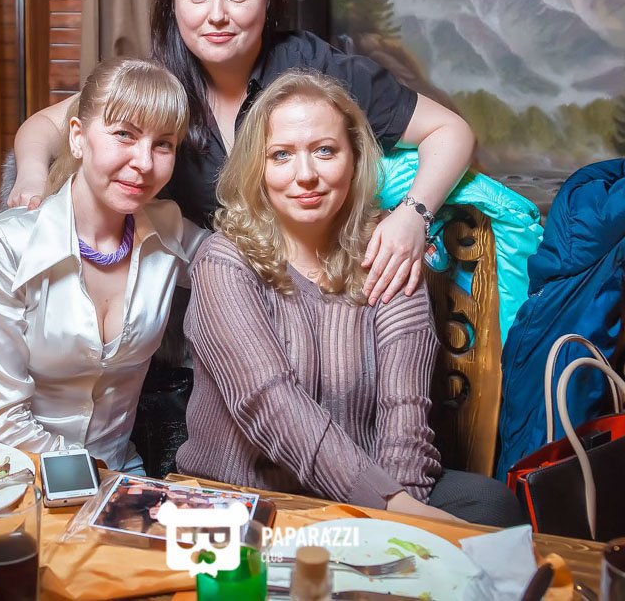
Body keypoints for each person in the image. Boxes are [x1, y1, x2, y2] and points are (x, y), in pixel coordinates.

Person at [8, 0, 476, 306]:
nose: (217, 15)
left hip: (319, 296)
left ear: (268, 0)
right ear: (172, 5)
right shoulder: (157, 85)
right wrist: (29, 175)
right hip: (204, 302)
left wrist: (413, 216)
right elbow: (46, 125)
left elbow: (450, 130)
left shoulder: (318, 71)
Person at [175, 70, 524, 526]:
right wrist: (393, 509)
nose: (306, 175)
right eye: (281, 155)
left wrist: (398, 517)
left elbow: (405, 411)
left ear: (355, 160)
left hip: (372, 493)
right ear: (257, 169)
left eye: (325, 150)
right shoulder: (224, 262)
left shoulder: (386, 251)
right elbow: (271, 404)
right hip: (248, 497)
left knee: (492, 503)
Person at [0, 57, 206, 474]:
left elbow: (240, 265)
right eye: (124, 134)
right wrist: (94, 481)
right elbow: (0, 420)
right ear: (77, 137)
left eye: (163, 144)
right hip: (1, 468)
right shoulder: (4, 246)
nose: (144, 162)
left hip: (115, 467)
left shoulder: (169, 230)